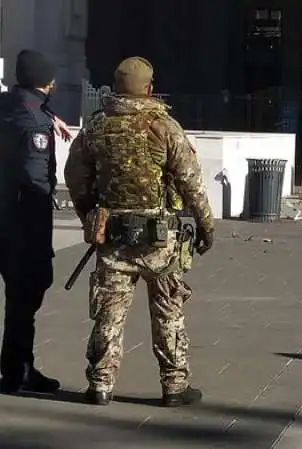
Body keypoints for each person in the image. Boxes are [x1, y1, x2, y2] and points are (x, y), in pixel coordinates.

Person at [64, 57, 215, 407]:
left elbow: (76, 178)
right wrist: (206, 224)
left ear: (115, 87)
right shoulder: (163, 126)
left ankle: (101, 384)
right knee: (168, 311)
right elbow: (190, 182)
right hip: (160, 240)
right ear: (149, 89)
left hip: (113, 238)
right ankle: (174, 386)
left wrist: (90, 214)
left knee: (109, 312)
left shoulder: (95, 127)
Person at [0, 50, 68, 395]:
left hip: (4, 216)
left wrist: (48, 115)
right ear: (47, 80)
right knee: (26, 296)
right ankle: (16, 371)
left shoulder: (9, 105)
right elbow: (34, 176)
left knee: (18, 296)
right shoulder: (36, 123)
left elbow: (22, 110)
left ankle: (17, 366)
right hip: (25, 222)